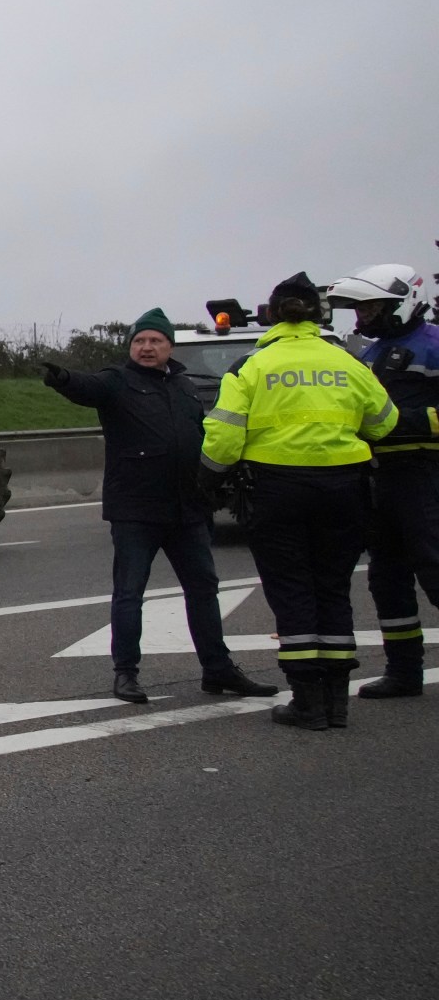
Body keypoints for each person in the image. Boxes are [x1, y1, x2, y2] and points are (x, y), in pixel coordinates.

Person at [200, 273, 399, 729]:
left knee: (292, 591)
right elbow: (385, 424)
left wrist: (207, 477)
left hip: (277, 492)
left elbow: (224, 438)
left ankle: (307, 701)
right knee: (333, 588)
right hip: (343, 490)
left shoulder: (252, 365)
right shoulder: (347, 363)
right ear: (317, 313)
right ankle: (336, 702)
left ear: (273, 313)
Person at [44, 309, 272, 703]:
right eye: (139, 341)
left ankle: (217, 669)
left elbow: (203, 437)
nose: (146, 348)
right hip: (137, 509)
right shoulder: (117, 381)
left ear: (170, 346)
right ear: (130, 347)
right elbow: (87, 387)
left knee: (203, 589)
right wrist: (63, 379)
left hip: (188, 510)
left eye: (155, 341)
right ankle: (126, 674)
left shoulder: (183, 386)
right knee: (130, 592)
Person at [325, 263, 439, 698]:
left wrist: (403, 423)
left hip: (424, 476)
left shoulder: (433, 344)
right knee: (387, 578)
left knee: (435, 570)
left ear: (402, 301)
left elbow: (394, 419)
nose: (363, 316)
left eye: (371, 307)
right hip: (378, 479)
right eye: (360, 308)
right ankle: (404, 671)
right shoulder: (368, 354)